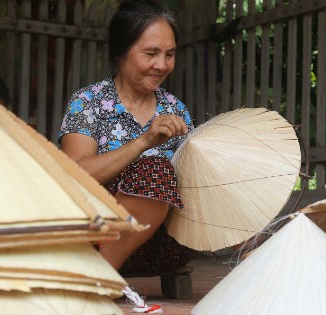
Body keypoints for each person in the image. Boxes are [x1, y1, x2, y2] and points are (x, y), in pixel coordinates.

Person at [58, 0, 193, 312]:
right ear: (121, 51)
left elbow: (194, 182)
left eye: (169, 54)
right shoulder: (87, 103)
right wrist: (143, 142)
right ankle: (101, 278)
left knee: (161, 172)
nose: (162, 64)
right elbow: (73, 175)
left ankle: (97, 281)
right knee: (153, 169)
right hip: (90, 238)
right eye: (151, 53)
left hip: (157, 246)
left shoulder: (177, 110)